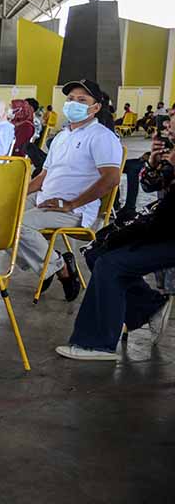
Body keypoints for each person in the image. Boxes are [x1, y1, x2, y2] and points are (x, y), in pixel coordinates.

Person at [7, 79, 123, 302]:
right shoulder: (62, 136)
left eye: (82, 100)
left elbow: (112, 178)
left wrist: (71, 204)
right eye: (70, 99)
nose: (73, 104)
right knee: (1, 219)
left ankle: (60, 268)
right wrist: (17, 196)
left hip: (74, 209)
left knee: (19, 226)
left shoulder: (101, 136)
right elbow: (43, 177)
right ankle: (47, 265)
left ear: (96, 107)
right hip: (45, 199)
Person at [57, 143, 175, 361]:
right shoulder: (171, 149)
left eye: (171, 121)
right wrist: (154, 163)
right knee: (96, 252)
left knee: (111, 264)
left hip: (167, 231)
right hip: (162, 223)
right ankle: (149, 306)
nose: (167, 126)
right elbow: (150, 185)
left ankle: (97, 343)